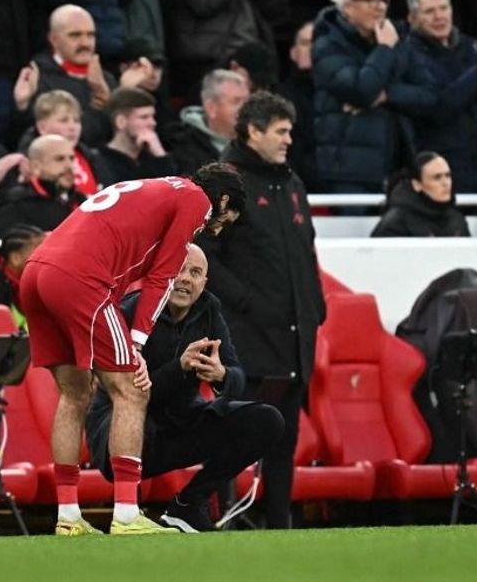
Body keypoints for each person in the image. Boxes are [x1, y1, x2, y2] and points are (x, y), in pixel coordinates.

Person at [20, 162, 245, 535]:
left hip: (37, 271)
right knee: (132, 390)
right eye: (224, 220)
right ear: (221, 199)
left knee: (75, 394)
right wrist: (137, 344)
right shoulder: (196, 200)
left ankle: (68, 517)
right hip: (80, 278)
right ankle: (126, 515)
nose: (216, 228)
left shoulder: (149, 185)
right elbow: (162, 276)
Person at [86, 244, 284, 533]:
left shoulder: (209, 310)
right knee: (135, 420)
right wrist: (178, 367)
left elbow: (237, 378)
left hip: (178, 423)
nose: (185, 279)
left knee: (267, 420)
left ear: (204, 283)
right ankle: (127, 515)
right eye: (178, 269)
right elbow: (129, 394)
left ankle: (188, 505)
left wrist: (221, 375)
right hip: (118, 434)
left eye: (195, 273)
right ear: (161, 274)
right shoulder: (129, 311)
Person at [197, 92, 323, 528]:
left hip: (293, 337)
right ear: (253, 131)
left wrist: (315, 309)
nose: (290, 139)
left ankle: (279, 523)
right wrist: (244, 301)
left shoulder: (291, 184)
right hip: (244, 339)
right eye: (281, 131)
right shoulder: (225, 183)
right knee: (233, 434)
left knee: (284, 439)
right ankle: (221, 522)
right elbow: (202, 254)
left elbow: (306, 254)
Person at [398, 0, 477, 193]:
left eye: (443, 8)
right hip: (444, 169)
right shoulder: (408, 56)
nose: (439, 16)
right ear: (412, 19)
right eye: (429, 11)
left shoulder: (471, 47)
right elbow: (438, 106)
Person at [312, 0, 411, 194]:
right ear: (347, 8)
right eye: (370, 0)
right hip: (349, 171)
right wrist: (384, 49)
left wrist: (387, 96)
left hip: (400, 167)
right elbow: (361, 91)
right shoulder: (327, 45)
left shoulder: (399, 38)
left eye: (383, 0)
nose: (380, 7)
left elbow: (429, 92)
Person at [13, 5, 118, 150]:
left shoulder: (106, 79)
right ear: (54, 39)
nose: (85, 43)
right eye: (75, 35)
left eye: (90, 35)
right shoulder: (38, 79)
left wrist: (105, 94)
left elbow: (118, 138)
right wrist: (22, 105)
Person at [0, 134, 83, 237]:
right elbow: (8, 250)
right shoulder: (15, 203)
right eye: (59, 159)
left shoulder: (82, 201)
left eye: (71, 158)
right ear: (35, 167)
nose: (69, 166)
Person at [165, 69, 249, 177]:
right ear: (211, 108)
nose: (246, 108)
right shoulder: (183, 147)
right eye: (236, 101)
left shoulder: (259, 141)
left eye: (247, 101)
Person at [371, 150, 469, 237]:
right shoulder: (396, 224)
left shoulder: (457, 219)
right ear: (417, 184)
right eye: (437, 177)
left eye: (448, 176)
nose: (445, 183)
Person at [93, 87, 176, 185]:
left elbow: (173, 190)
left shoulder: (153, 159)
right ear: (120, 122)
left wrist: (160, 155)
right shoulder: (99, 160)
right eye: (144, 117)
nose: (153, 123)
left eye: (153, 117)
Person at [31, 90, 102, 196]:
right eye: (64, 120)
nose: (73, 127)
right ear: (42, 127)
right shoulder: (27, 162)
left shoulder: (90, 156)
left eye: (76, 120)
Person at [278, 23, 318, 189]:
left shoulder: (345, 93)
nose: (313, 49)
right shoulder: (281, 97)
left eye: (317, 43)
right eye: (306, 43)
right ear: (293, 53)